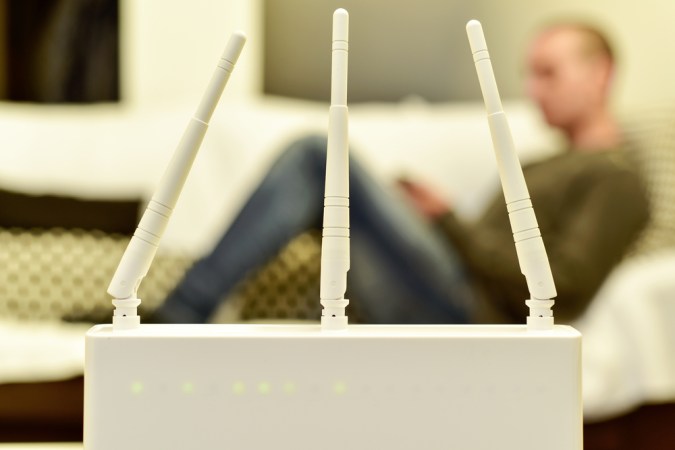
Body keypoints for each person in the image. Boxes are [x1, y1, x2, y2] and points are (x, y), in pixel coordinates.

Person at [151, 22, 649, 324]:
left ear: (600, 72)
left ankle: (180, 310)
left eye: (548, 72)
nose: (532, 88)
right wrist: (432, 216)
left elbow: (560, 284)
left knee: (316, 155)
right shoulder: (546, 161)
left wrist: (448, 219)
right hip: (451, 285)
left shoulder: (617, 178)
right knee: (324, 185)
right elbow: (496, 244)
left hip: (474, 312)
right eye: (529, 73)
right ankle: (182, 310)